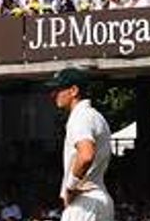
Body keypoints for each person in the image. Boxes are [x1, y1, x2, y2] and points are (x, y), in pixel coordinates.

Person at [43, 67, 112, 221]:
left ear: (74, 90)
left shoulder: (80, 116)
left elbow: (86, 155)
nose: (53, 94)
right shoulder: (96, 116)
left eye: (58, 89)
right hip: (101, 199)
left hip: (84, 201)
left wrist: (71, 187)